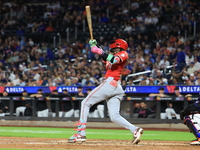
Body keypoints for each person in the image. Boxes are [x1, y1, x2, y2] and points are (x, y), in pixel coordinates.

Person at [68, 39, 143, 144]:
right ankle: (135, 129)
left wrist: (99, 51)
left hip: (111, 84)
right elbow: (105, 57)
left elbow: (113, 59)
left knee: (85, 103)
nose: (112, 49)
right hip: (116, 87)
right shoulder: (111, 56)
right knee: (114, 116)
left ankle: (81, 133)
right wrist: (95, 46)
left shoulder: (123, 53)